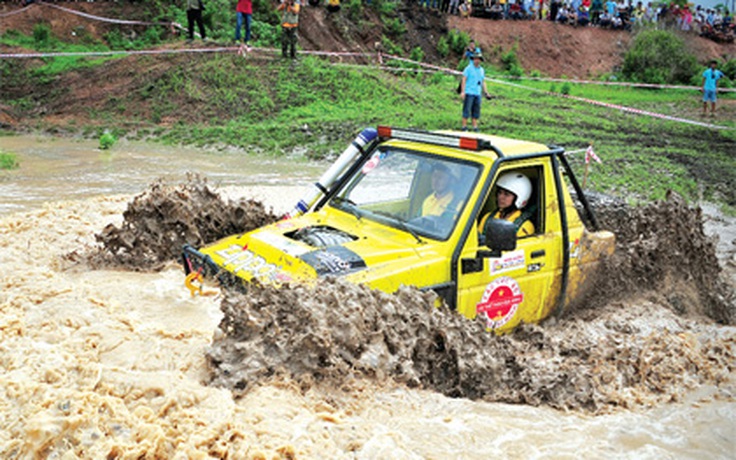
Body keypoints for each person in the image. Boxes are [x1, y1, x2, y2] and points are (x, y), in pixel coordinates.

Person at [478, 172, 535, 238]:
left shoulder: (525, 226)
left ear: (520, 198)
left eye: (506, 194)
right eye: (499, 192)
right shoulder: (487, 218)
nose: (500, 197)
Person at [460, 51, 491, 132]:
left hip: (477, 93)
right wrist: (463, 91)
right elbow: (464, 79)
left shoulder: (481, 70)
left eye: (478, 59)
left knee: (476, 110)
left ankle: (475, 126)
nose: (477, 60)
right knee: (467, 109)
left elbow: (483, 81)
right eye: (475, 59)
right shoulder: (468, 68)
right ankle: (464, 126)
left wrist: (486, 92)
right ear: (473, 59)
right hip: (469, 92)